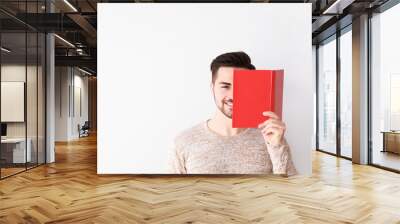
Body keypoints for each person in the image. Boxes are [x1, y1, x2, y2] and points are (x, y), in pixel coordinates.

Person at [169, 51, 297, 176]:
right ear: (212, 87)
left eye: (242, 87)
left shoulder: (271, 137)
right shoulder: (184, 141)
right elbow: (173, 194)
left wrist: (277, 147)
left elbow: (291, 192)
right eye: (225, 86)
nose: (233, 95)